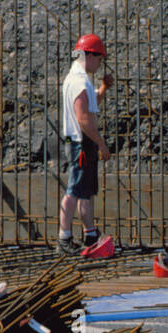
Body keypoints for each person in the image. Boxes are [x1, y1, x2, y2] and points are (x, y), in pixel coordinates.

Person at [59, 33, 112, 255]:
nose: (100, 64)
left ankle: (90, 234)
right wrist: (101, 143)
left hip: (83, 141)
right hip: (81, 141)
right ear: (89, 56)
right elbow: (83, 118)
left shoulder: (81, 79)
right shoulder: (79, 81)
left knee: (86, 191)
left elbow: (90, 106)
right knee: (74, 189)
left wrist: (102, 90)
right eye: (99, 59)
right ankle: (64, 237)